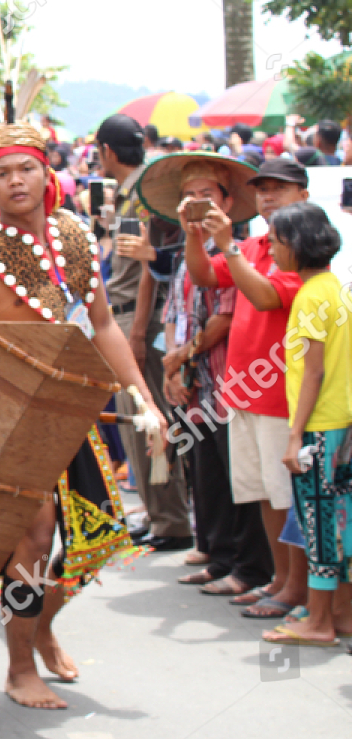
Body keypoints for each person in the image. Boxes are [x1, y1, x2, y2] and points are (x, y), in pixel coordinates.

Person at [0, 123, 163, 709]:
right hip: (6, 421)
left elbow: (102, 325)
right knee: (34, 534)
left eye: (24, 168)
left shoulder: (74, 241)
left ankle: (41, 624)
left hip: (69, 411)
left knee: (98, 537)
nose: (15, 181)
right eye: (1, 173)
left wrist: (142, 397)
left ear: (45, 170)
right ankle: (19, 665)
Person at [182, 155, 311, 620]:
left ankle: (297, 588)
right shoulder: (256, 244)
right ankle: (279, 580)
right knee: (261, 492)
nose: (269, 196)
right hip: (242, 390)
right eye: (263, 189)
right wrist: (195, 236)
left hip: (280, 394)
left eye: (280, 188)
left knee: (285, 495)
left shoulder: (305, 251)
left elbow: (262, 295)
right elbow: (203, 276)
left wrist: (225, 245)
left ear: (304, 196)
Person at [145, 155, 276, 602]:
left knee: (237, 475)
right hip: (192, 377)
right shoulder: (190, 254)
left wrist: (181, 356)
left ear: (227, 201)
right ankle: (218, 557)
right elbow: (173, 314)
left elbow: (224, 315)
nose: (198, 204)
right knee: (206, 474)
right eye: (191, 196)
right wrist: (172, 365)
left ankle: (248, 564)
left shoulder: (239, 251)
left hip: (227, 378)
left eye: (207, 196)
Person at [99, 113, 192, 550]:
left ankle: (171, 521)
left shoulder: (140, 194)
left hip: (138, 318)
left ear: (106, 153)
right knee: (143, 422)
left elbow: (145, 271)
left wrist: (135, 335)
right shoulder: (136, 189)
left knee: (148, 420)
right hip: (129, 316)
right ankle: (161, 516)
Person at [262, 203, 352, 645]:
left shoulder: (310, 297)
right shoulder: (337, 289)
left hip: (318, 427)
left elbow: (312, 371)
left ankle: (318, 622)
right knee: (344, 523)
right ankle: (342, 613)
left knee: (318, 525)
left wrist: (295, 435)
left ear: (295, 246)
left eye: (276, 241)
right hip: (342, 424)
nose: (271, 249)